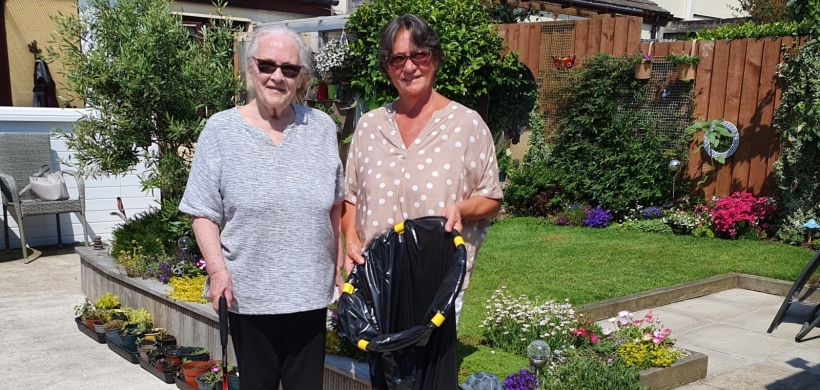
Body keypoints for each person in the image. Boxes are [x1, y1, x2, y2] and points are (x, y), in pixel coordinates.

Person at [179, 26, 344, 390]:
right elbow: (203, 211)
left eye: (289, 69)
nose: (277, 76)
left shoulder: (321, 128)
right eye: (267, 65)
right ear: (249, 68)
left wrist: (338, 264)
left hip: (309, 294)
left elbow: (335, 205)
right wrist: (218, 272)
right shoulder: (220, 130)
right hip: (249, 295)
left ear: (302, 78)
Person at [341, 14, 502, 323]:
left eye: (419, 55)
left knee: (432, 371)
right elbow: (351, 197)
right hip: (377, 279)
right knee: (382, 369)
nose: (410, 67)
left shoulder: (467, 125)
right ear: (387, 67)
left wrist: (462, 209)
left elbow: (492, 199)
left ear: (435, 59)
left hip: (437, 280)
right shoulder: (369, 126)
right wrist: (351, 239)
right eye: (398, 58)